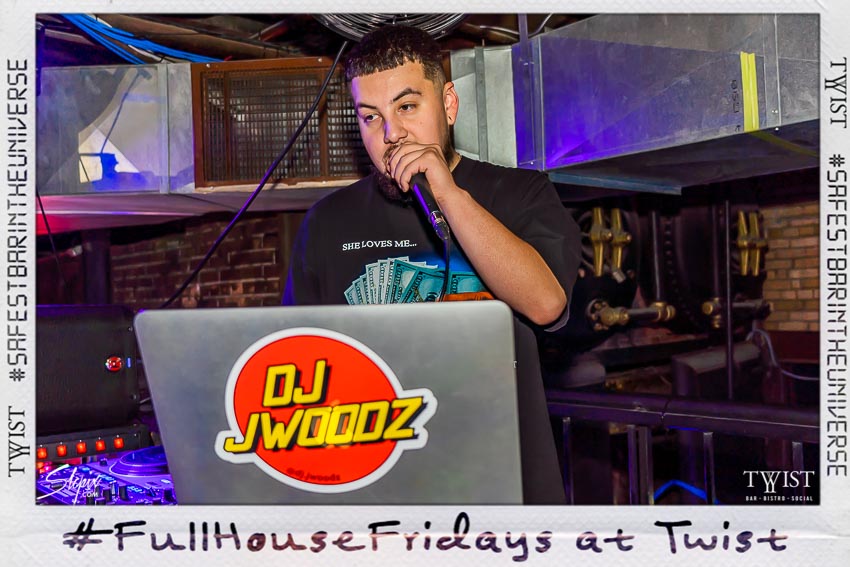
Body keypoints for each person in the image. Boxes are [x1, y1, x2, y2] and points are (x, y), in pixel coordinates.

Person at [283, 24, 581, 504]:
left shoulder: (520, 193)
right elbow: (299, 367)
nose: (391, 134)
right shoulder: (327, 222)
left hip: (503, 489)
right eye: (370, 117)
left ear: (448, 105)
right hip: (378, 491)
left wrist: (447, 193)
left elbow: (546, 304)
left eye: (406, 107)